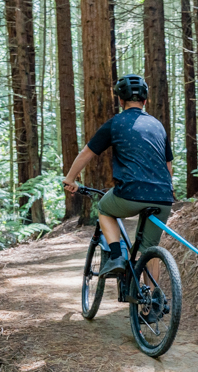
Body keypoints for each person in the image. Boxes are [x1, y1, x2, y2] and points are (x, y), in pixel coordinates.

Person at [63, 74, 174, 277]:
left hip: (130, 193)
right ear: (145, 100)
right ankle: (153, 304)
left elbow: (88, 152)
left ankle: (116, 256)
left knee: (104, 209)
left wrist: (70, 178)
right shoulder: (158, 125)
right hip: (163, 197)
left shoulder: (116, 123)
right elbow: (168, 166)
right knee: (149, 250)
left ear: (120, 100)